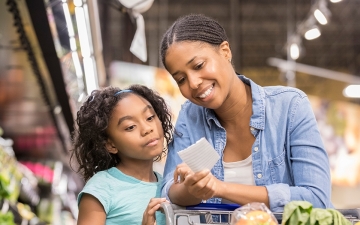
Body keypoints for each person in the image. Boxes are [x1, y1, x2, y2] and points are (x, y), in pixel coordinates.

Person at [159, 14, 333, 212]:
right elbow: (168, 192)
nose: (193, 83)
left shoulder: (290, 107)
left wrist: (220, 188)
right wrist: (192, 188)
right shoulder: (190, 117)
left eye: (199, 66)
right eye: (181, 79)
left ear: (225, 51)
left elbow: (316, 198)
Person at [70, 85, 173, 225]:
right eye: (130, 127)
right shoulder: (101, 188)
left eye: (149, 117)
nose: (147, 129)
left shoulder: (167, 186)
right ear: (111, 145)